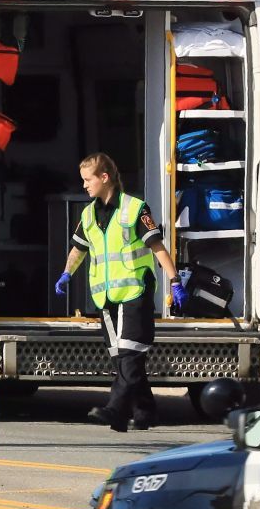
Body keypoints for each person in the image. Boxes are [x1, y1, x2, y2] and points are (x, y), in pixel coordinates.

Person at [56, 152, 184, 432]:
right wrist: (67, 272)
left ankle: (116, 410)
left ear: (105, 178)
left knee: (130, 354)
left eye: (88, 180)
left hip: (134, 290)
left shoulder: (135, 208)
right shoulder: (88, 213)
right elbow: (79, 248)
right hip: (105, 296)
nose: (84, 186)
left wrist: (174, 281)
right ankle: (145, 411)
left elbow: (157, 246)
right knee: (121, 356)